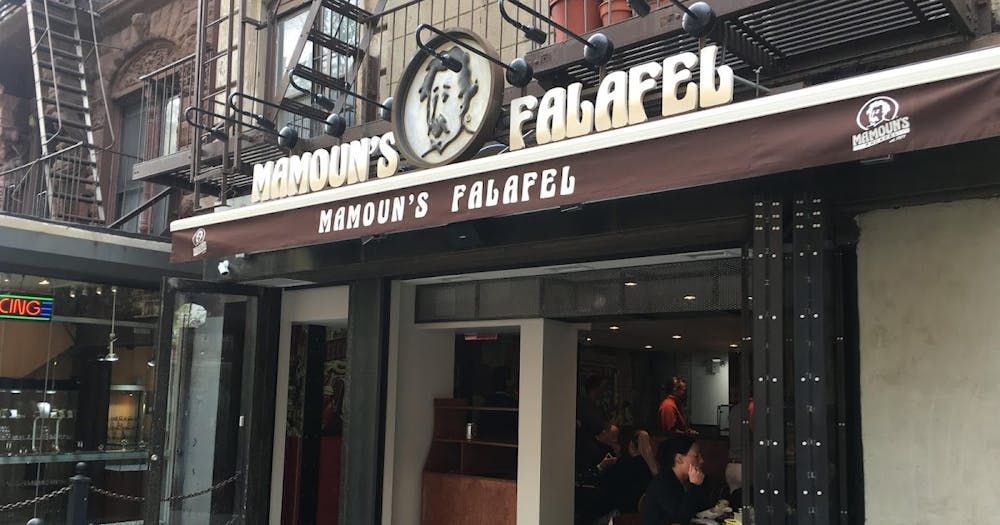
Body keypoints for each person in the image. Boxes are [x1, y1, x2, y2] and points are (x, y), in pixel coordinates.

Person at [641, 436, 709, 525]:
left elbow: (702, 509)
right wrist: (694, 486)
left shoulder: (687, 480)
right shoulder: (663, 483)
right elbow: (681, 517)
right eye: (697, 456)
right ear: (679, 459)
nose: (701, 460)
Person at [595, 427, 657, 516]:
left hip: (622, 516)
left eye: (615, 443)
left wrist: (601, 467)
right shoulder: (646, 466)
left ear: (630, 445)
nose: (612, 446)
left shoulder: (624, 465)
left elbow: (604, 492)